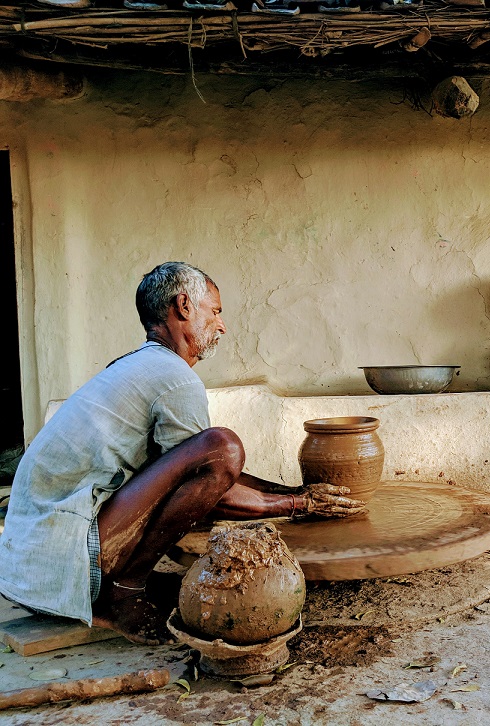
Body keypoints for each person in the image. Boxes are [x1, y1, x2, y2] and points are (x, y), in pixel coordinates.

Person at [0, 262, 365, 645]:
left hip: (32, 569)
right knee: (222, 446)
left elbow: (196, 477)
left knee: (213, 463)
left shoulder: (137, 366)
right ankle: (122, 593)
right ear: (185, 306)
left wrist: (288, 490)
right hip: (62, 564)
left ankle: (123, 583)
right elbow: (214, 477)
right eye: (217, 311)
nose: (221, 325)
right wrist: (295, 504)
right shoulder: (174, 377)